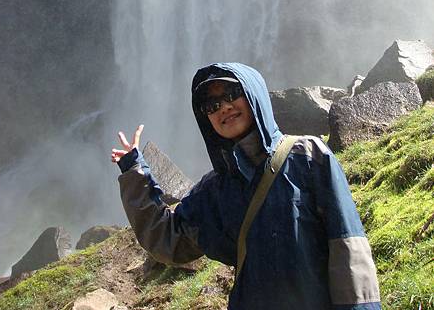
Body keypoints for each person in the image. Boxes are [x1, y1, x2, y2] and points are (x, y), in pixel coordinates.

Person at [112, 62, 381, 310]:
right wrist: (135, 170)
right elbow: (168, 239)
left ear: (254, 95)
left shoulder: (308, 156)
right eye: (211, 104)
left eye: (231, 93)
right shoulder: (214, 190)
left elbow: (349, 248)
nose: (223, 107)